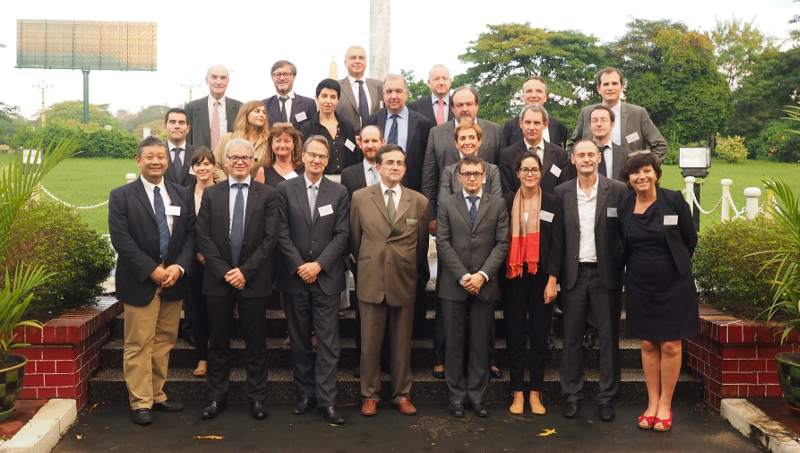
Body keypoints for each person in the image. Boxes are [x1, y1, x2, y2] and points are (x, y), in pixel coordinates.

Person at [108, 136, 196, 425]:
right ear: (139, 161)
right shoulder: (121, 196)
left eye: (161, 156)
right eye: (150, 157)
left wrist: (178, 268)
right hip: (140, 280)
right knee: (139, 343)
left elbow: (190, 235)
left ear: (167, 161)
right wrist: (151, 270)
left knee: (164, 341)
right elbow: (121, 240)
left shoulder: (181, 193)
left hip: (173, 280)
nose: (156, 161)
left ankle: (157, 394)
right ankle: (140, 402)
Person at [196, 138, 279, 421]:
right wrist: (226, 272)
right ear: (226, 162)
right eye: (235, 157)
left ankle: (257, 398)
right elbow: (202, 236)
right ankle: (216, 398)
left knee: (255, 342)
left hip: (253, 280)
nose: (240, 162)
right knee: (218, 342)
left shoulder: (268, 194)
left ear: (253, 161)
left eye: (245, 157)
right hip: (218, 280)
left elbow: (270, 239)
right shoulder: (212, 194)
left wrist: (245, 272)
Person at [617, 151, 698, 432]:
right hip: (640, 284)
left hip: (674, 284)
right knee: (648, 344)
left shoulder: (673, 200)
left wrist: (674, 265)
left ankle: (665, 404)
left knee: (671, 345)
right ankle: (651, 403)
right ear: (628, 178)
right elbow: (621, 241)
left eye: (646, 171)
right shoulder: (625, 204)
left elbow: (690, 239)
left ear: (656, 173)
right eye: (635, 172)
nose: (641, 176)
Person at [548, 140, 627, 422]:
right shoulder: (561, 192)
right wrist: (553, 277)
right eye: (580, 155)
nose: (586, 159)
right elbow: (557, 238)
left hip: (606, 275)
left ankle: (607, 398)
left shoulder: (617, 190)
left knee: (609, 339)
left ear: (598, 158)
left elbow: (625, 233)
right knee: (570, 339)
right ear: (572, 159)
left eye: (591, 154)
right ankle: (572, 395)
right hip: (574, 275)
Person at [350, 144, 429, 417]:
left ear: (405, 168)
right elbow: (355, 240)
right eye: (390, 162)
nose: (395, 167)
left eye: (400, 163)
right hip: (370, 279)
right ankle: (370, 396)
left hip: (403, 280)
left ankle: (401, 394)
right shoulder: (360, 198)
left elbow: (421, 247)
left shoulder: (419, 202)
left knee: (402, 344)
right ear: (378, 167)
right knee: (369, 344)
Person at [277, 135, 350, 426]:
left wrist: (318, 266)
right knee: (299, 340)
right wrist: (300, 266)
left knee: (328, 344)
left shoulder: (339, 191)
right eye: (313, 155)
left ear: (328, 160)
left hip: (326, 278)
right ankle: (306, 394)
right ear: (303, 156)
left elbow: (342, 235)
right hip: (295, 279)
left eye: (322, 156)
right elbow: (281, 233)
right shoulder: (285, 189)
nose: (317, 160)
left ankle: (327, 401)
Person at [436, 154, 509, 418]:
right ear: (459, 177)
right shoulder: (446, 204)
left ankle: (477, 396)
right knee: (454, 344)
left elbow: (502, 243)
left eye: (476, 173)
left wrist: (482, 275)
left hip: (485, 285)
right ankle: (456, 397)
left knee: (480, 344)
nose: (471, 178)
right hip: (454, 285)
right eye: (466, 173)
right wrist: (464, 277)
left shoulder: (498, 204)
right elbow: (442, 242)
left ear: (484, 176)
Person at [503, 151, 562, 415]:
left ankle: (536, 391)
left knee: (539, 337)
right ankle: (517, 391)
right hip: (513, 276)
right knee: (515, 336)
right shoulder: (506, 202)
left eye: (534, 170)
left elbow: (558, 243)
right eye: (525, 170)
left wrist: (553, 280)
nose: (530, 174)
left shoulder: (552, 202)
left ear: (541, 173)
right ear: (517, 174)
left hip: (542, 277)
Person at [421, 86, 502, 235]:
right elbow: (429, 176)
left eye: (469, 104)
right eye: (459, 105)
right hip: (450, 219)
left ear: (477, 106)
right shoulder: (436, 133)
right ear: (452, 108)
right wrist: (431, 215)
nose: (465, 109)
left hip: (487, 219)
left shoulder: (495, 130)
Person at [568, 67, 667, 160]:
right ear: (599, 89)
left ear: (622, 87)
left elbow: (660, 146)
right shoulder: (586, 113)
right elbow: (572, 146)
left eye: (614, 83)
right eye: (606, 84)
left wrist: (645, 166)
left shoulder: (638, 114)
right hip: (594, 172)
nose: (610, 88)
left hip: (627, 172)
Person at [363, 73, 432, 192]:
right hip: (378, 187)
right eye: (389, 91)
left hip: (411, 188)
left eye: (398, 91)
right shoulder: (371, 121)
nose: (393, 96)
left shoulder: (422, 123)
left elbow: (427, 162)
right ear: (383, 94)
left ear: (406, 94)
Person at [186, 147, 216, 378]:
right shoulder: (184, 194)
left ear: (214, 167)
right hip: (193, 261)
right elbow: (183, 228)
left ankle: (217, 356)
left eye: (207, 163)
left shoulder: (223, 191)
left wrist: (211, 254)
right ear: (192, 168)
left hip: (218, 261)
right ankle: (202, 358)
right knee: (196, 311)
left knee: (217, 311)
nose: (203, 168)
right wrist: (197, 252)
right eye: (198, 164)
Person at [499, 104, 572, 196]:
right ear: (521, 124)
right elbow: (508, 192)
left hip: (552, 205)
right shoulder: (508, 155)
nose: (532, 128)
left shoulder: (560, 155)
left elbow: (562, 190)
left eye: (537, 123)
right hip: (518, 204)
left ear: (545, 125)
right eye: (528, 122)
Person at [301, 79, 362, 181]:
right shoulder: (308, 128)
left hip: (346, 180)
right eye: (324, 96)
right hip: (319, 179)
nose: (328, 101)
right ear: (317, 98)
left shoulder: (347, 126)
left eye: (333, 97)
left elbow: (354, 156)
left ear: (338, 100)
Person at [185, 65, 243, 150]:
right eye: (214, 77)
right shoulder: (192, 108)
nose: (218, 82)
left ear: (228, 81)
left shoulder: (239, 108)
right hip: (200, 157)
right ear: (207, 80)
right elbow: (187, 140)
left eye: (223, 78)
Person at [502, 76, 568, 148]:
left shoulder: (559, 128)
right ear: (523, 97)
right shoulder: (510, 127)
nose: (534, 95)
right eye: (529, 91)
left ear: (545, 97)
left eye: (539, 91)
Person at [213, 100, 270, 183]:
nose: (262, 115)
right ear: (245, 114)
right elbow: (215, 166)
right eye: (257, 111)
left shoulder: (268, 142)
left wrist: (252, 186)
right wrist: (228, 184)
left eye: (264, 112)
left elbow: (270, 169)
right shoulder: (226, 139)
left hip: (257, 188)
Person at [336, 45, 384, 131]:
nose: (357, 61)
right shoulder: (336, 87)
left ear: (366, 62)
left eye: (361, 58)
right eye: (353, 58)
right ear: (345, 62)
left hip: (374, 138)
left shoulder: (379, 86)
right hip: (346, 138)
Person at [261, 60, 317, 130]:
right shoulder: (264, 105)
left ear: (294, 77)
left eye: (286, 74)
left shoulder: (308, 104)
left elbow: (312, 131)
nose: (282, 78)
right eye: (278, 75)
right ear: (272, 78)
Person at [590, 105, 632, 181]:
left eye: (603, 120)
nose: (599, 124)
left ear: (612, 125)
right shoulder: (579, 155)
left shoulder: (626, 155)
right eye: (595, 120)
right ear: (590, 125)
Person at [341, 124, 384, 199]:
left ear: (382, 143)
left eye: (374, 141)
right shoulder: (348, 175)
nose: (370, 146)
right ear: (360, 144)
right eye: (366, 141)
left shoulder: (393, 170)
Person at [163, 107, 196, 187]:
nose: (177, 126)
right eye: (172, 122)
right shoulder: (156, 154)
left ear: (188, 129)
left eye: (181, 122)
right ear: (165, 127)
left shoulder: (197, 154)